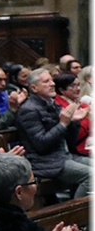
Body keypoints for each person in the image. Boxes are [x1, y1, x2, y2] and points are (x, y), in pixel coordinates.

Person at [16, 68, 91, 200]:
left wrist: (73, 122)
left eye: (51, 80)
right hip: (45, 161)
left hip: (63, 155)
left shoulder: (53, 104)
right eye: (46, 81)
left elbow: (71, 140)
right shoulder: (28, 110)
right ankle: (75, 211)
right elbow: (41, 144)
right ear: (34, 87)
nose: (52, 84)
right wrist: (63, 123)